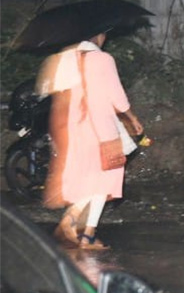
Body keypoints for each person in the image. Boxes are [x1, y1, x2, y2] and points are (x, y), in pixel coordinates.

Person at [37, 32, 143, 250]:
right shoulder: (104, 59)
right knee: (106, 178)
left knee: (92, 181)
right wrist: (132, 118)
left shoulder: (66, 58)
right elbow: (117, 96)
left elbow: (54, 92)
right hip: (101, 129)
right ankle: (78, 224)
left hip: (75, 129)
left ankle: (87, 234)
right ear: (100, 35)